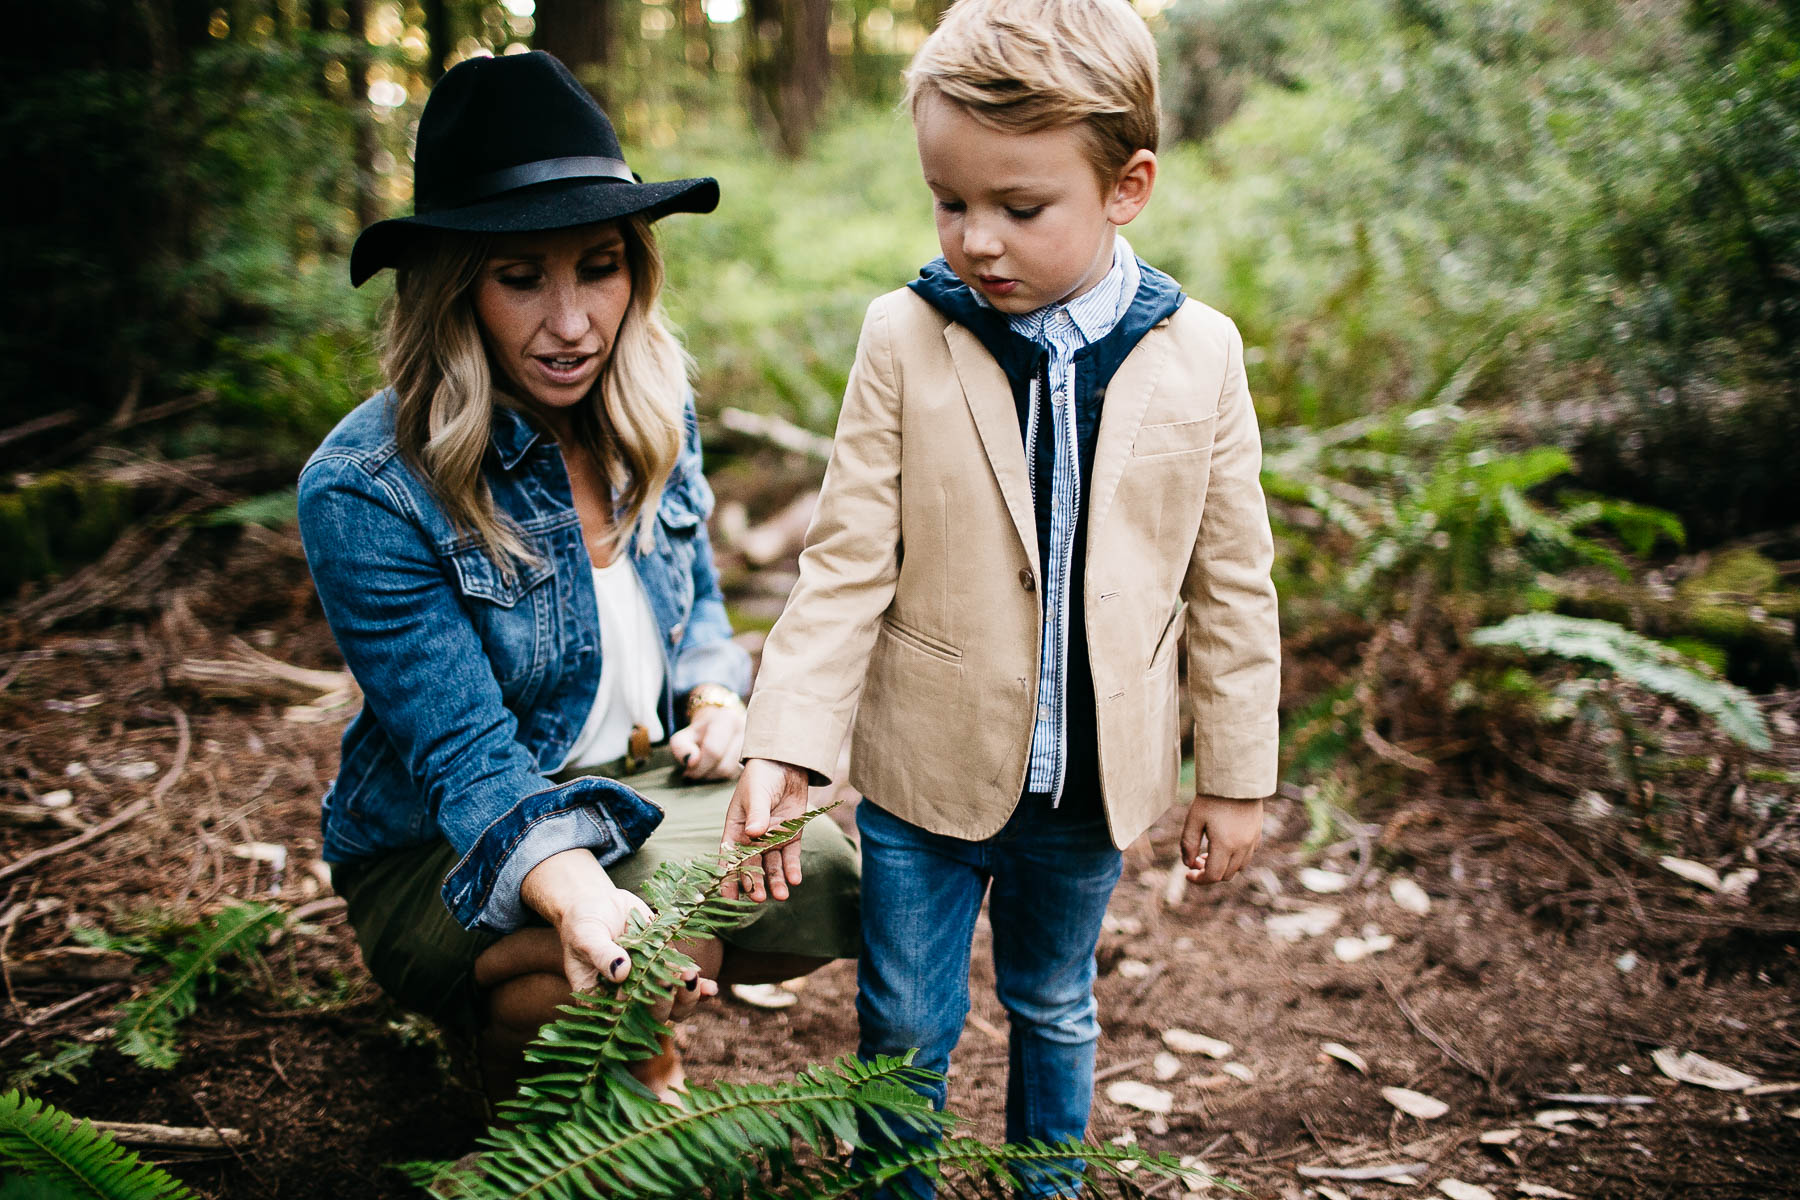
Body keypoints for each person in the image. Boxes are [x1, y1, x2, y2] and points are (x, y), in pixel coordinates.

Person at [724, 0, 1280, 1192]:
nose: (979, 239)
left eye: (1021, 208)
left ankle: (1050, 1183)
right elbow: (845, 562)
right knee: (906, 1026)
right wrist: (786, 741)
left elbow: (1232, 581)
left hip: (1086, 780)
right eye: (950, 200)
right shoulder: (904, 336)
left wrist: (1234, 774)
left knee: (1054, 1003)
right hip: (924, 771)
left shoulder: (1202, 355)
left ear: (1127, 186)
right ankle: (896, 1183)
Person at [296, 50, 860, 1106]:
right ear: (455, 286)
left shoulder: (653, 402)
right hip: (444, 846)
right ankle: (538, 1068)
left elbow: (692, 603)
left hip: (633, 788)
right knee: (642, 938)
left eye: (597, 267)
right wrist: (571, 897)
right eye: (522, 279)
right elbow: (467, 762)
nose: (571, 322)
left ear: (635, 267)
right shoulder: (367, 487)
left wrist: (714, 694)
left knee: (819, 872)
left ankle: (611, 1002)